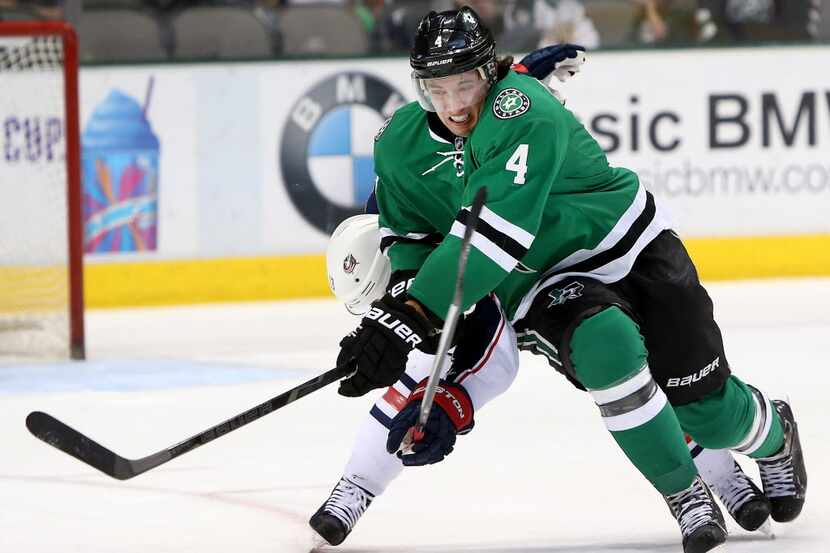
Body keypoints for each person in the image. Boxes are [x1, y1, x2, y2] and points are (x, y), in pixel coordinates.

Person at [332, 7, 807, 553]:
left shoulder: (521, 108)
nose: (454, 105)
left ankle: (774, 435)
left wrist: (413, 314)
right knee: (607, 349)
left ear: (489, 73)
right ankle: (685, 492)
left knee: (710, 411)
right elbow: (411, 238)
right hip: (542, 282)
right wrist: (400, 314)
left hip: (632, 245)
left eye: (465, 84)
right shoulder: (398, 145)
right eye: (437, 89)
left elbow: (492, 235)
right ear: (419, 87)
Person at [313, 212, 773, 547]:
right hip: (539, 301)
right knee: (624, 383)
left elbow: (496, 359)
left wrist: (453, 403)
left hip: (551, 281)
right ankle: (356, 487)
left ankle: (722, 470)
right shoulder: (399, 201)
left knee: (648, 380)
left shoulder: (443, 266)